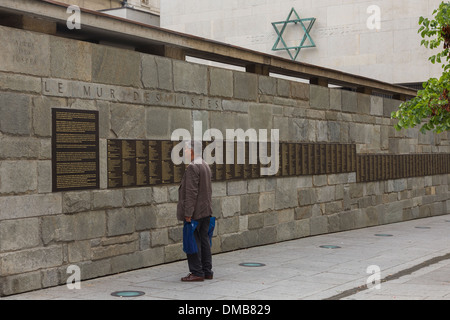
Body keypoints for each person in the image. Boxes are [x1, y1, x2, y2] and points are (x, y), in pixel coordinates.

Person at [177, 140, 214, 282]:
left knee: (192, 241)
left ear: (192, 151)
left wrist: (188, 213)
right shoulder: (205, 165)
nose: (184, 151)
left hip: (195, 213)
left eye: (186, 149)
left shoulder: (193, 167)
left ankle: (197, 272)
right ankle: (207, 271)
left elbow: (191, 192)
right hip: (206, 211)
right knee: (204, 240)